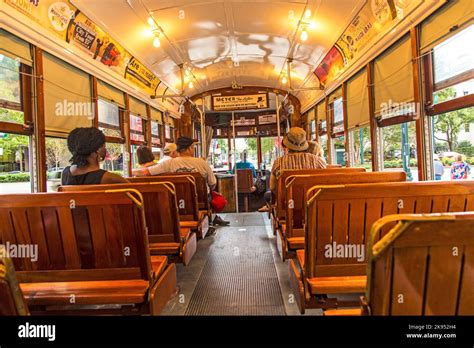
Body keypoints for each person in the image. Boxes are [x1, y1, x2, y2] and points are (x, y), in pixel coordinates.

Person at [136, 136, 230, 227]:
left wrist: (130, 172)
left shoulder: (169, 163)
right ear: (189, 148)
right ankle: (211, 220)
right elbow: (213, 183)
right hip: (200, 201)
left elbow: (146, 172)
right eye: (193, 147)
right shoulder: (202, 163)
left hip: (176, 202)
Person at [258, 127, 327, 212]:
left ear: (286, 145)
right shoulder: (318, 161)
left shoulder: (279, 163)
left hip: (288, 207)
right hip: (313, 206)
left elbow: (273, 187)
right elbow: (325, 181)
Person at [61, 127, 128, 185]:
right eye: (104, 146)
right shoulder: (111, 178)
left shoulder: (65, 174)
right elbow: (136, 195)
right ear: (98, 149)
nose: (105, 149)